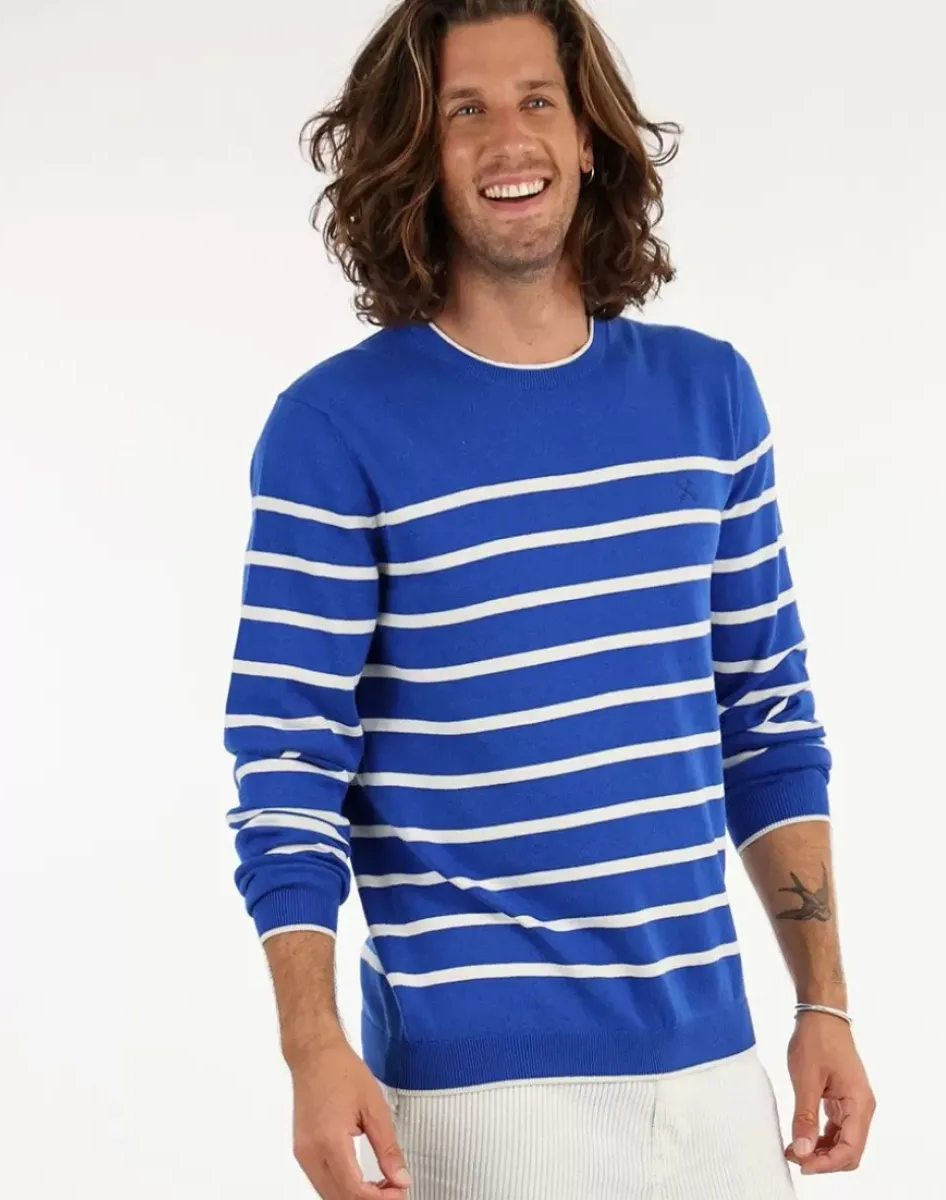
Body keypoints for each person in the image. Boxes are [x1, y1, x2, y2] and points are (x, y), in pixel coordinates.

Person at [221, 1, 875, 1196]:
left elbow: (769, 721)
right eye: (463, 111)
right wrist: (313, 1047)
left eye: (537, 100)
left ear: (587, 138)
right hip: (479, 1101)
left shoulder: (711, 397)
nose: (507, 139)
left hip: (718, 1083)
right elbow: (287, 764)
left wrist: (821, 1002)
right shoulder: (334, 428)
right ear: (416, 156)